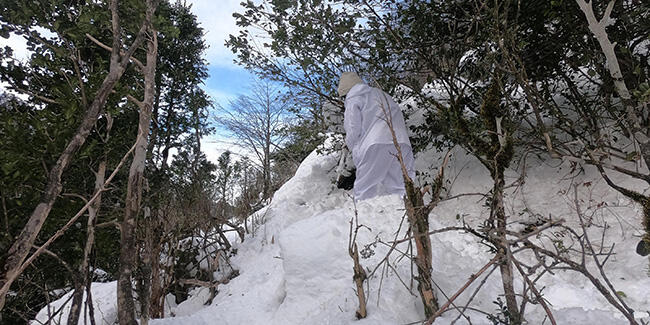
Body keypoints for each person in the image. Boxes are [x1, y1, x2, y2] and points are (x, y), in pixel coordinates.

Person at [337, 71, 415, 200]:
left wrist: (352, 147)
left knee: (365, 189)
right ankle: (408, 215)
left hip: (375, 144)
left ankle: (361, 217)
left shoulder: (353, 97)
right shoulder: (383, 95)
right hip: (401, 142)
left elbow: (353, 128)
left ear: (345, 91)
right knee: (401, 187)